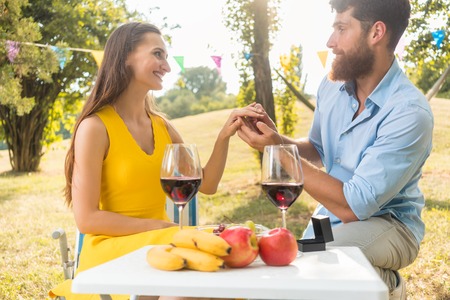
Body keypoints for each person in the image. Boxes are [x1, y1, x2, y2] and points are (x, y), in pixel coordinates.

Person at [49, 22, 263, 300]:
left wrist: (224, 135)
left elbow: (207, 184)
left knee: (223, 262)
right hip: (112, 253)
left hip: (162, 245)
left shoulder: (161, 125)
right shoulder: (95, 127)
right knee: (202, 273)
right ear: (125, 56)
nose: (167, 66)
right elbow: (87, 219)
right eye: (158, 54)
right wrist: (161, 227)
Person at [237, 0, 433, 299]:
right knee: (295, 269)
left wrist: (280, 153)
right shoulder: (332, 87)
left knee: (328, 261)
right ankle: (374, 279)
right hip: (332, 218)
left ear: (376, 33)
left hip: (390, 225)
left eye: (342, 29)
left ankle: (389, 288)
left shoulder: (408, 112)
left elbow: (354, 205)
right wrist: (277, 140)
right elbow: (316, 148)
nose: (331, 43)